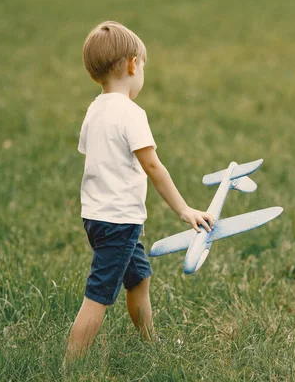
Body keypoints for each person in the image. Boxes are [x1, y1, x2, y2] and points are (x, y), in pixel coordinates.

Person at [65, 20, 214, 361]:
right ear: (133, 65)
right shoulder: (131, 113)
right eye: (143, 66)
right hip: (119, 221)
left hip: (98, 217)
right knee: (98, 296)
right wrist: (184, 209)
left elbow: (93, 155)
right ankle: (70, 365)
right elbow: (153, 166)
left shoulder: (94, 110)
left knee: (139, 278)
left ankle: (149, 342)